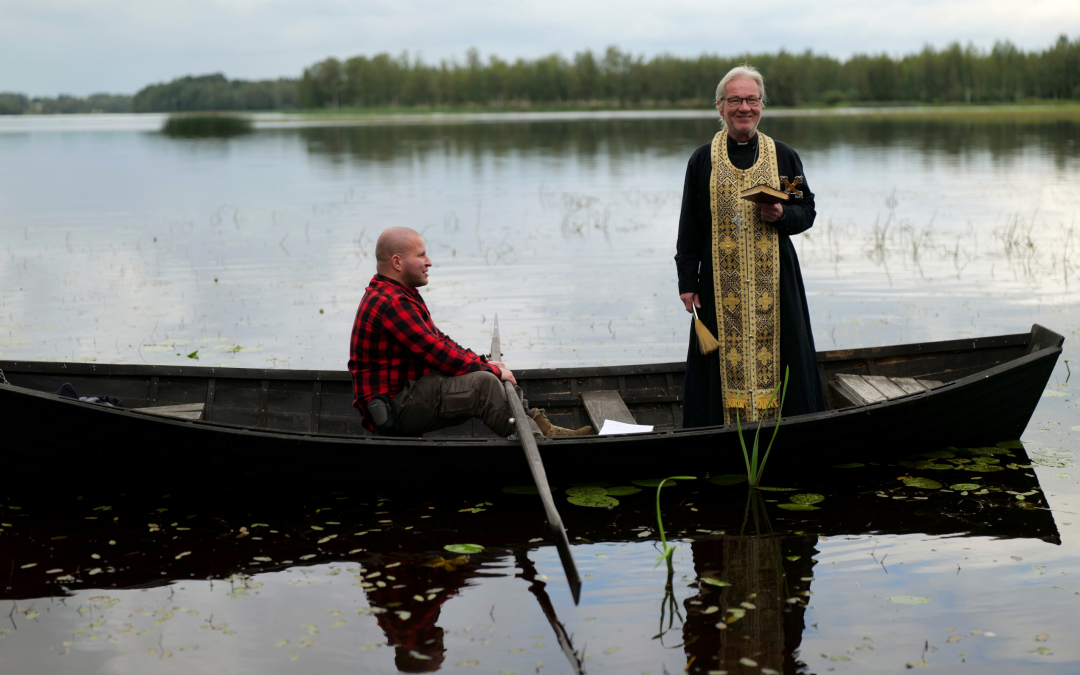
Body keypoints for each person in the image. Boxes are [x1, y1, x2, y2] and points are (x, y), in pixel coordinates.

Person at [674, 65, 827, 428]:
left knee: (785, 353)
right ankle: (717, 427)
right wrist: (687, 282)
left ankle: (791, 426)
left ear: (762, 104)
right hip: (717, 282)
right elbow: (689, 228)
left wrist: (781, 215)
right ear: (720, 106)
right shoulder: (702, 161)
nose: (744, 107)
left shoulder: (783, 158)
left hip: (776, 283)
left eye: (752, 99)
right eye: (735, 100)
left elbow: (806, 210)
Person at [349, 226, 592, 437]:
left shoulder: (400, 294)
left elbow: (439, 340)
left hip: (405, 394)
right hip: (392, 409)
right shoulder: (392, 303)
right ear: (397, 262)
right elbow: (437, 353)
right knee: (483, 384)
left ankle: (538, 427)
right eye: (421, 255)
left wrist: (485, 362)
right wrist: (487, 370)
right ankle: (538, 443)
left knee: (493, 373)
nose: (429, 261)